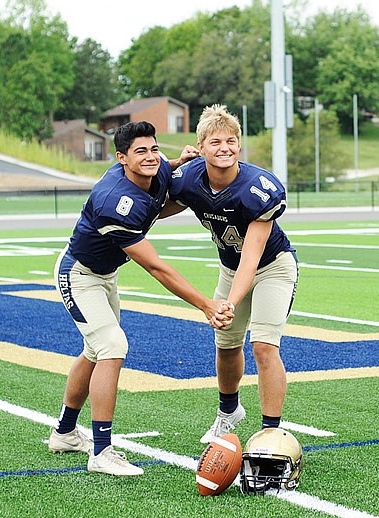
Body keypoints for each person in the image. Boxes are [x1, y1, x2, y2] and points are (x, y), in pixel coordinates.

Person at [48, 121, 232, 476]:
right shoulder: (113, 201)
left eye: (153, 149)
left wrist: (180, 161)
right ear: (121, 159)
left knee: (94, 351)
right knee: (112, 346)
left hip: (105, 273)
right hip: (79, 274)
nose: (150, 157)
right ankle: (101, 452)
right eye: (140, 152)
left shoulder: (156, 164)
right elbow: (157, 268)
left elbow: (163, 177)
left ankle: (65, 432)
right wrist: (205, 305)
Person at [168, 104, 298, 444]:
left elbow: (252, 257)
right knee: (225, 345)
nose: (224, 148)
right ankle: (229, 412)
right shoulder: (188, 178)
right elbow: (159, 205)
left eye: (231, 140)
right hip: (229, 267)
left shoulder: (257, 186)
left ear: (239, 144)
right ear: (201, 147)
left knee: (263, 346)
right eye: (215, 142)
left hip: (272, 267)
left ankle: (271, 431)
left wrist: (226, 304)